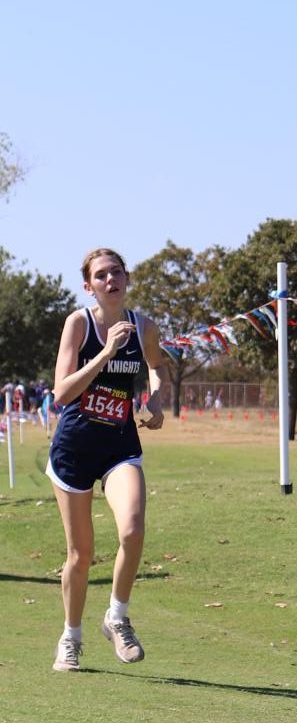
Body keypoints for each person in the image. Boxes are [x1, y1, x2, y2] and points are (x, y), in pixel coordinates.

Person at [46, 248, 166, 672]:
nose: (110, 279)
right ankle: (71, 637)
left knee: (132, 531)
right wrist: (104, 354)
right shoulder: (79, 324)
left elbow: (155, 366)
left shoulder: (143, 326)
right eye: (101, 275)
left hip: (120, 445)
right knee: (81, 555)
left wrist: (155, 398)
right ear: (89, 286)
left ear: (127, 277)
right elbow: (61, 393)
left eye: (116, 272)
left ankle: (117, 616)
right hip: (75, 449)